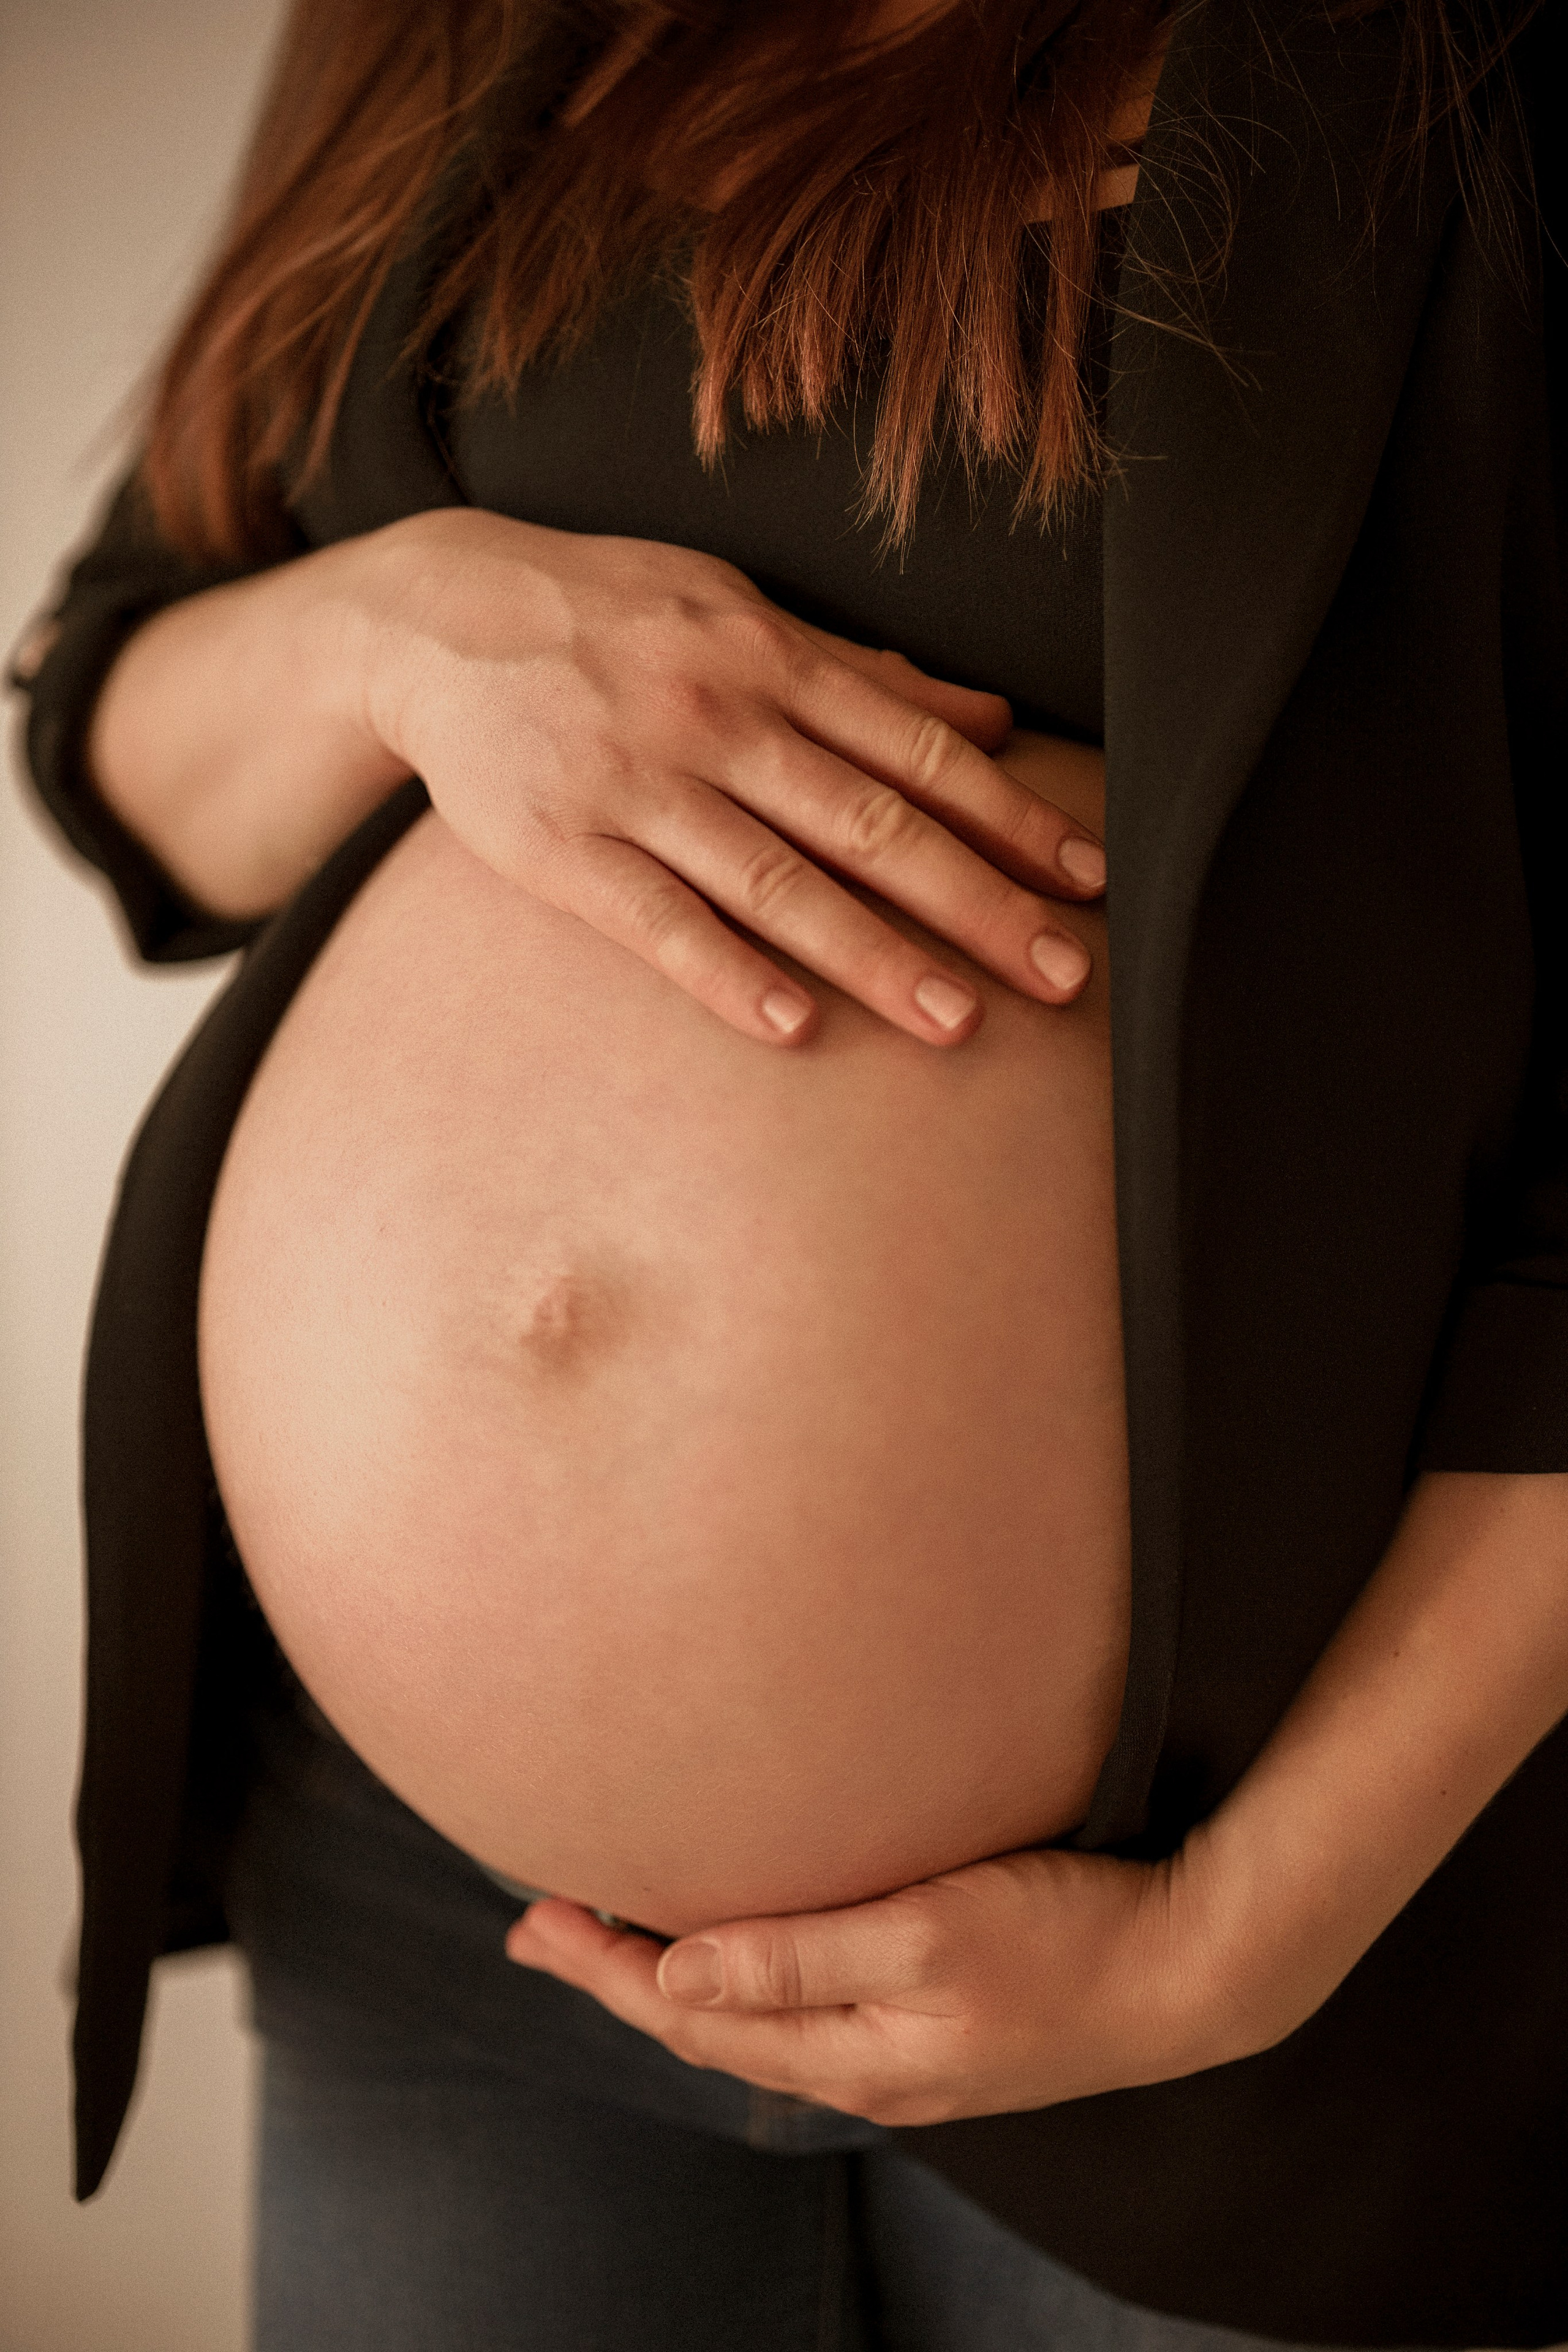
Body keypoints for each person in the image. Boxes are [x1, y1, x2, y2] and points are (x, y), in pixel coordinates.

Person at [12, 0, 1568, 2344]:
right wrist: (400, 630)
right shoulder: (449, 23)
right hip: (438, 1911)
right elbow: (120, 728)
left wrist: (1234, 1940)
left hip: (1249, 1957)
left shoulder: (1477, 72)